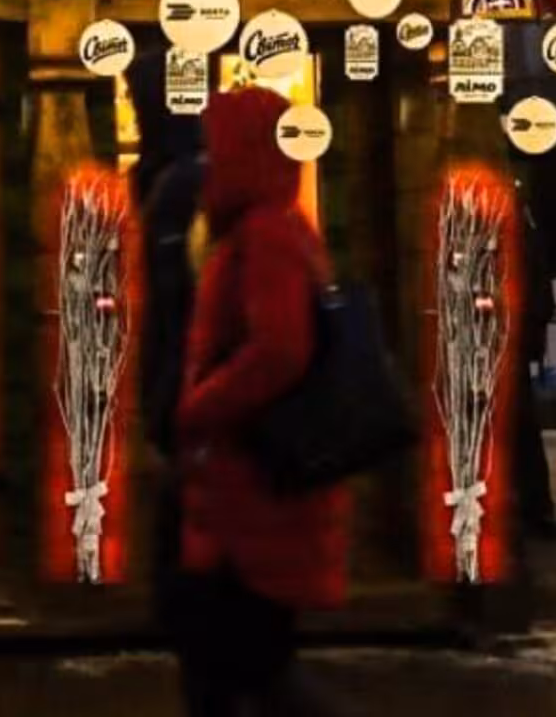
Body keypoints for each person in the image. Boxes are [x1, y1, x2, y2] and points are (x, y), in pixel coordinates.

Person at [173, 88, 349, 716]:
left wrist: (198, 408)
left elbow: (278, 351)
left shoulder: (265, 233)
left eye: (215, 146)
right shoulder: (271, 225)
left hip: (252, 494)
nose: (207, 160)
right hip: (243, 492)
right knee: (240, 669)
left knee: (245, 669)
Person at [124, 50, 205, 646]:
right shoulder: (176, 175)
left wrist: (167, 393)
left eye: (138, 98)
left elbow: (178, 300)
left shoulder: (180, 184)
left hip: (186, 380)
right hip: (181, 375)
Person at [514, 176, 556, 542]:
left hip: (502, 342)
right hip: (516, 340)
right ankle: (535, 509)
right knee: (524, 430)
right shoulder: (525, 226)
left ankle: (528, 509)